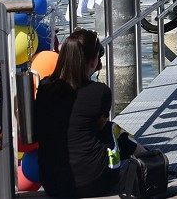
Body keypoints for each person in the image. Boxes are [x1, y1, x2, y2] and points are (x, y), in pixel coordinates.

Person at [35, 29, 148, 197]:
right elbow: (102, 127)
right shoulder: (100, 92)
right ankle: (146, 156)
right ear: (94, 61)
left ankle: (144, 154)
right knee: (113, 130)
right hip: (94, 181)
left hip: (52, 183)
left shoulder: (44, 87)